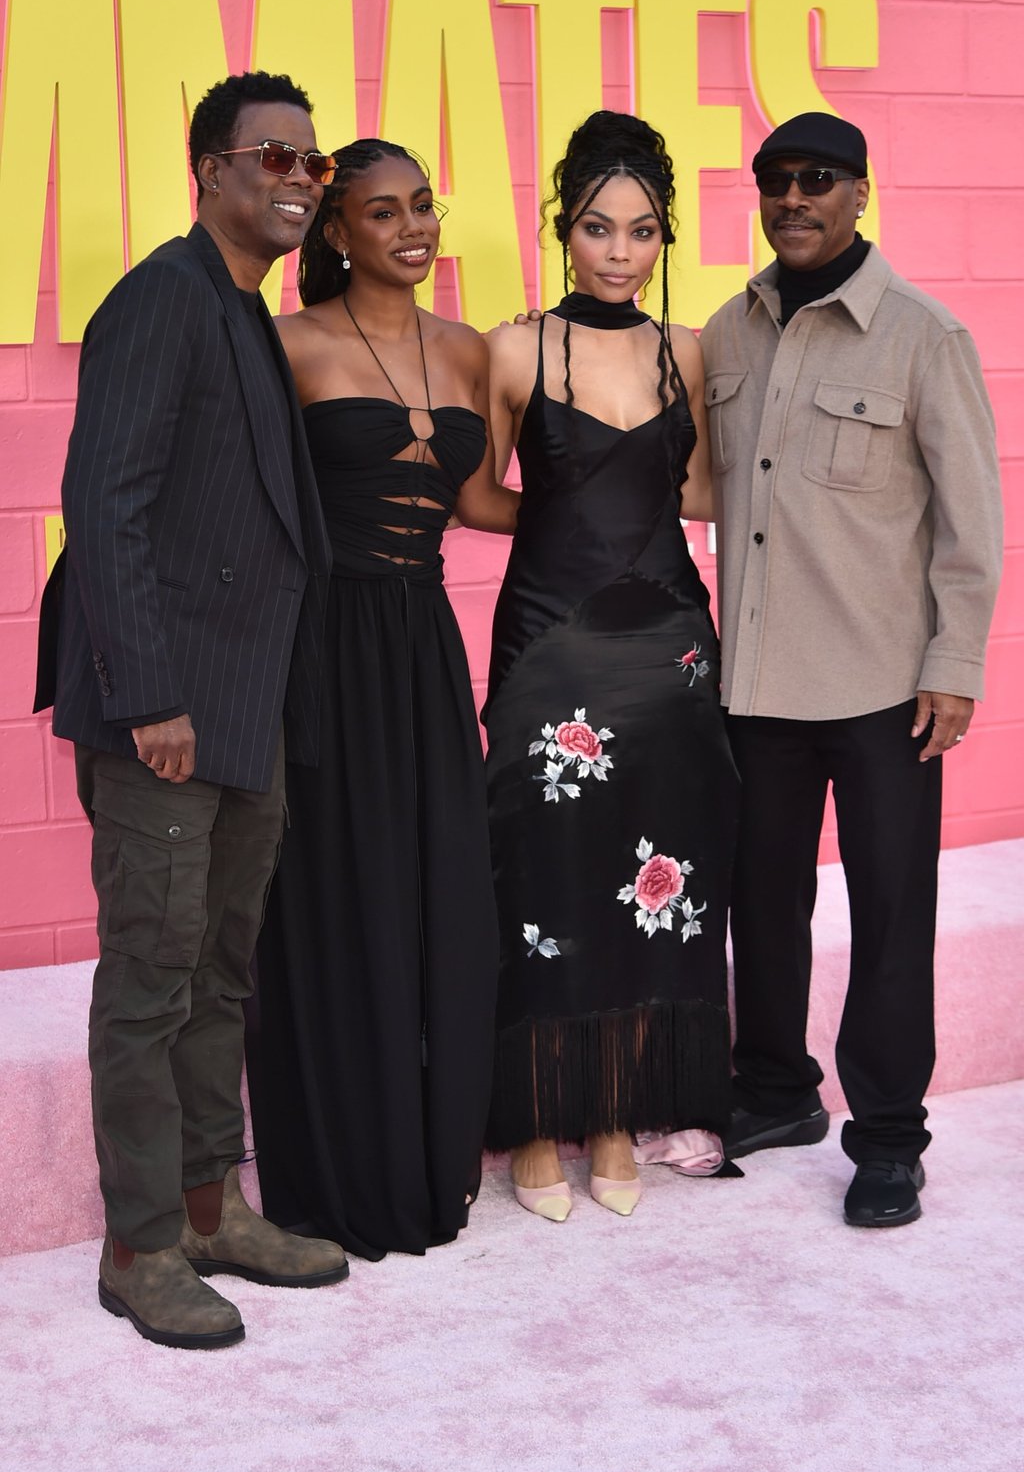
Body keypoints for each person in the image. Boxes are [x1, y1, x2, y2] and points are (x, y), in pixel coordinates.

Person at [33, 72, 350, 1350]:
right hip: (166, 713)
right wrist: (152, 694)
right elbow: (102, 504)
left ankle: (214, 1209)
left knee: (220, 971)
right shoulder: (163, 297)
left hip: (244, 708)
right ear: (208, 170)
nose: (298, 179)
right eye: (273, 155)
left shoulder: (241, 314)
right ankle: (143, 1245)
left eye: (313, 164)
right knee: (154, 980)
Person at [700, 112, 1003, 1227]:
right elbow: (708, 487)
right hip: (757, 685)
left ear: (860, 194)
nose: (792, 198)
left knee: (888, 914)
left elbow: (972, 523)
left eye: (815, 180)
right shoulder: (726, 331)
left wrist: (953, 664)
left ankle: (887, 1136)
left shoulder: (923, 336)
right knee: (759, 904)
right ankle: (776, 1090)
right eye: (774, 181)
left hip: (885, 689)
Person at [245, 139, 519, 1259]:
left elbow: (479, 505)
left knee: (434, 895)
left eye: (421, 207)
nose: (411, 227)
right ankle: (334, 1173)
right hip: (321, 649)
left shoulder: (466, 349)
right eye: (380, 212)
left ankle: (419, 1158)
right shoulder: (287, 342)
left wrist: (614, 504)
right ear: (335, 231)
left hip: (420, 647)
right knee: (330, 899)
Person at [483, 111, 739, 1222]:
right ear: (564, 226)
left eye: (640, 230)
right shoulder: (513, 346)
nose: (619, 251)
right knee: (541, 880)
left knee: (656, 890)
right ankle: (538, 1119)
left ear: (663, 234)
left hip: (671, 656)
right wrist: (563, 525)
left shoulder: (686, 351)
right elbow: (472, 492)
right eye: (597, 227)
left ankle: (612, 1114)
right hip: (547, 650)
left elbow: (697, 492)